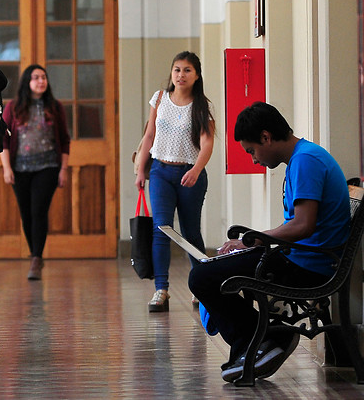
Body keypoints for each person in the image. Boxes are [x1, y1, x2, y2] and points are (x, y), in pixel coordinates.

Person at [188, 102, 351, 383]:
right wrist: (255, 241)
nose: (253, 159)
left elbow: (302, 225)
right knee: (209, 270)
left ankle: (261, 342)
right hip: (303, 256)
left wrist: (254, 240)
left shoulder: (306, 161)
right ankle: (261, 342)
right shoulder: (303, 157)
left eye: (252, 150)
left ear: (266, 137)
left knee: (202, 277)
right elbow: (299, 225)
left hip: (310, 266)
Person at [133, 51, 215, 312]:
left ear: (197, 75)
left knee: (190, 232)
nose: (181, 75)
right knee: (162, 229)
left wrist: (197, 169)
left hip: (190, 174)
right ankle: (161, 289)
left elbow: (207, 142)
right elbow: (149, 136)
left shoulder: (203, 106)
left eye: (187, 70)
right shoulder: (159, 99)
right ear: (172, 73)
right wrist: (140, 170)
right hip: (160, 172)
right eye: (177, 69)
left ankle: (200, 289)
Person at [0, 65, 71, 280]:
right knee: (26, 213)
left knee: (39, 210)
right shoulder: (13, 107)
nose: (41, 81)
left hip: (48, 167)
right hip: (19, 169)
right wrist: (6, 168)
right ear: (27, 82)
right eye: (36, 77)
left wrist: (64, 169)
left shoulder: (55, 107)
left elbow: (65, 140)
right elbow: (3, 138)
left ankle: (36, 258)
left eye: (44, 77)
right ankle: (35, 254)